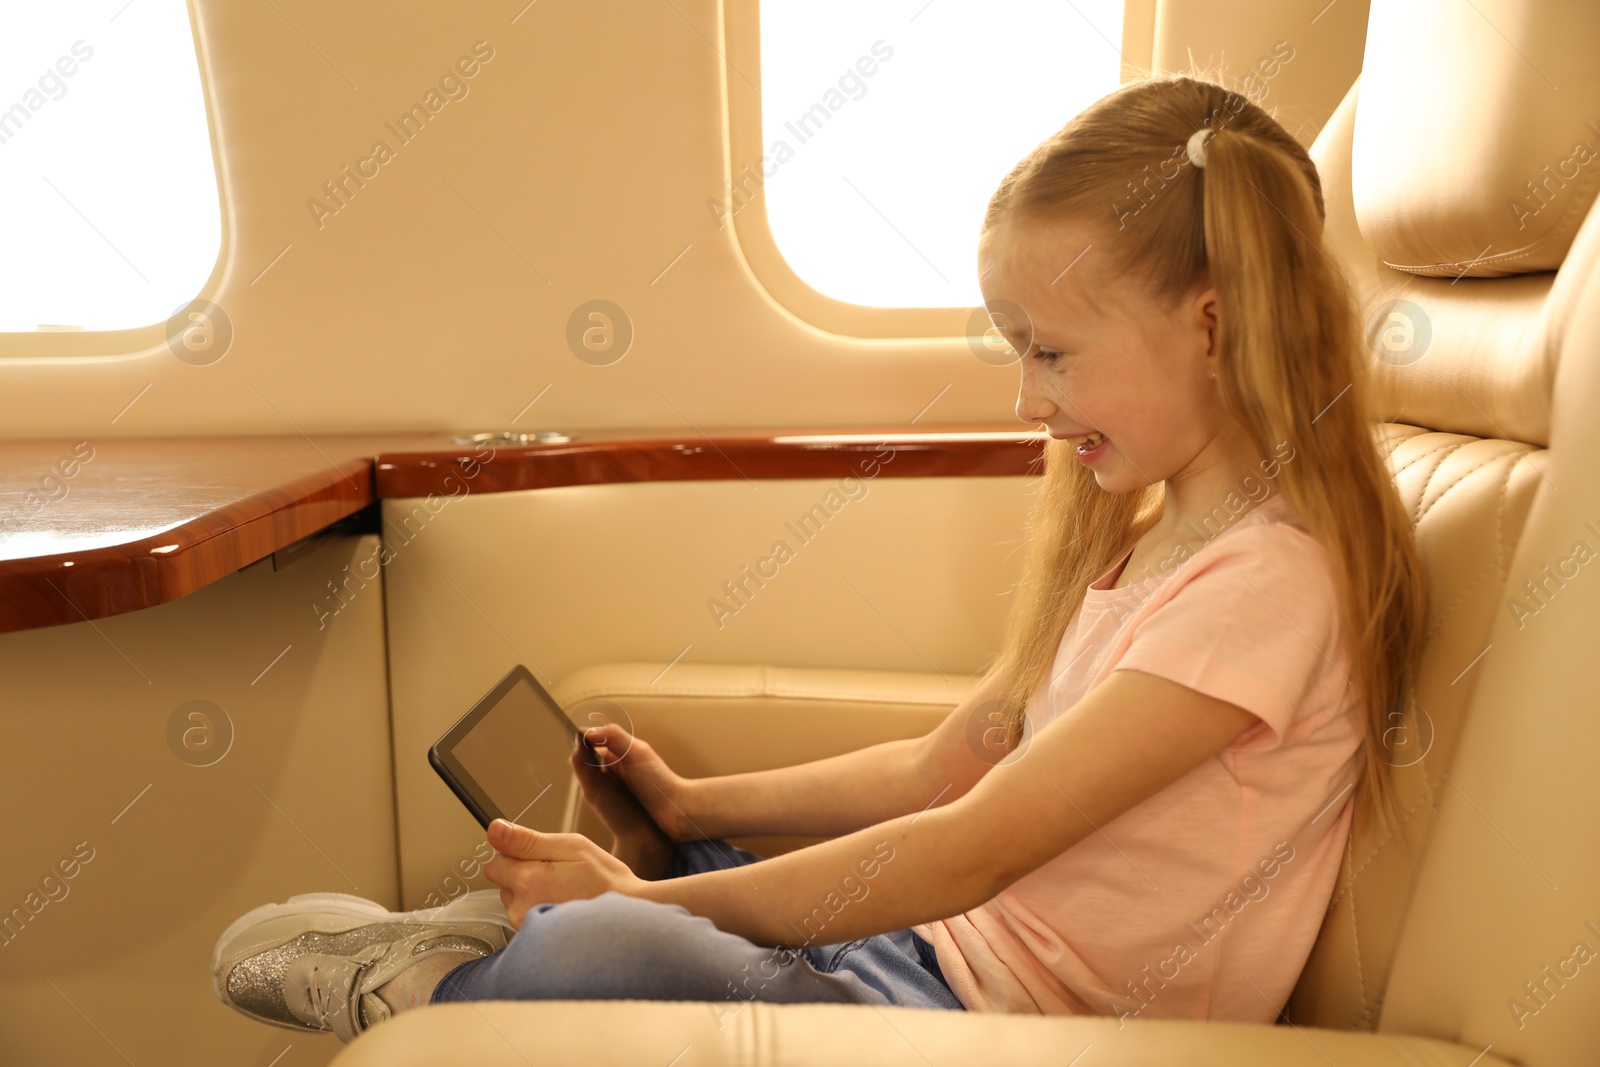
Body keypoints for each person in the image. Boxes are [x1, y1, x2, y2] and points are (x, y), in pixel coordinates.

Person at [211, 72, 1427, 1041]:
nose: (1025, 398)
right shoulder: (1157, 536)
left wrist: (640, 908)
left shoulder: (1265, 587)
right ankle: (525, 943)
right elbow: (944, 767)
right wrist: (692, 812)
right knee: (666, 878)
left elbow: (972, 841)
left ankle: (435, 986)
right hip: (929, 956)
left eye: (1048, 352)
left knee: (608, 944)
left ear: (1208, 324)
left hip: (1001, 1021)